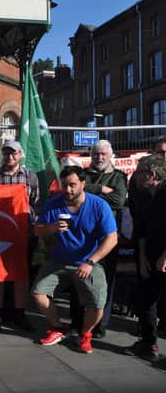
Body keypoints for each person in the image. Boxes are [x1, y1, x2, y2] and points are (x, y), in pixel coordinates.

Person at [31, 166, 117, 354]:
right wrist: (51, 228)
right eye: (64, 185)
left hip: (88, 261)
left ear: (83, 184)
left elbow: (112, 238)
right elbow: (37, 229)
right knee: (38, 293)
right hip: (59, 260)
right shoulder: (54, 204)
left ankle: (85, 334)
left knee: (97, 305)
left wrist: (91, 262)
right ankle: (57, 327)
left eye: (72, 185)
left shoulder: (98, 205)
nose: (68, 190)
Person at [69, 140, 127, 339]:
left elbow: (118, 201)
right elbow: (75, 192)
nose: (99, 158)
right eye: (96, 154)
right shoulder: (82, 174)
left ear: (110, 155)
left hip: (107, 239)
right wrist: (101, 189)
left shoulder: (119, 177)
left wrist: (89, 191)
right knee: (78, 279)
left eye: (103, 154)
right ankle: (76, 323)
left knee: (106, 283)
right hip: (83, 237)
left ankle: (100, 325)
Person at [0, 140, 38, 333]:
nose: (10, 156)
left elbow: (34, 202)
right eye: (7, 153)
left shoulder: (30, 177)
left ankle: (19, 313)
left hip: (23, 232)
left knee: (21, 273)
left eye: (14, 153)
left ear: (20, 154)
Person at [123, 155, 166, 361]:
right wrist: (141, 259)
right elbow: (140, 228)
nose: (135, 175)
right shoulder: (141, 194)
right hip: (148, 255)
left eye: (139, 171)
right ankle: (149, 344)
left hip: (164, 256)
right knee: (145, 301)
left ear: (151, 175)